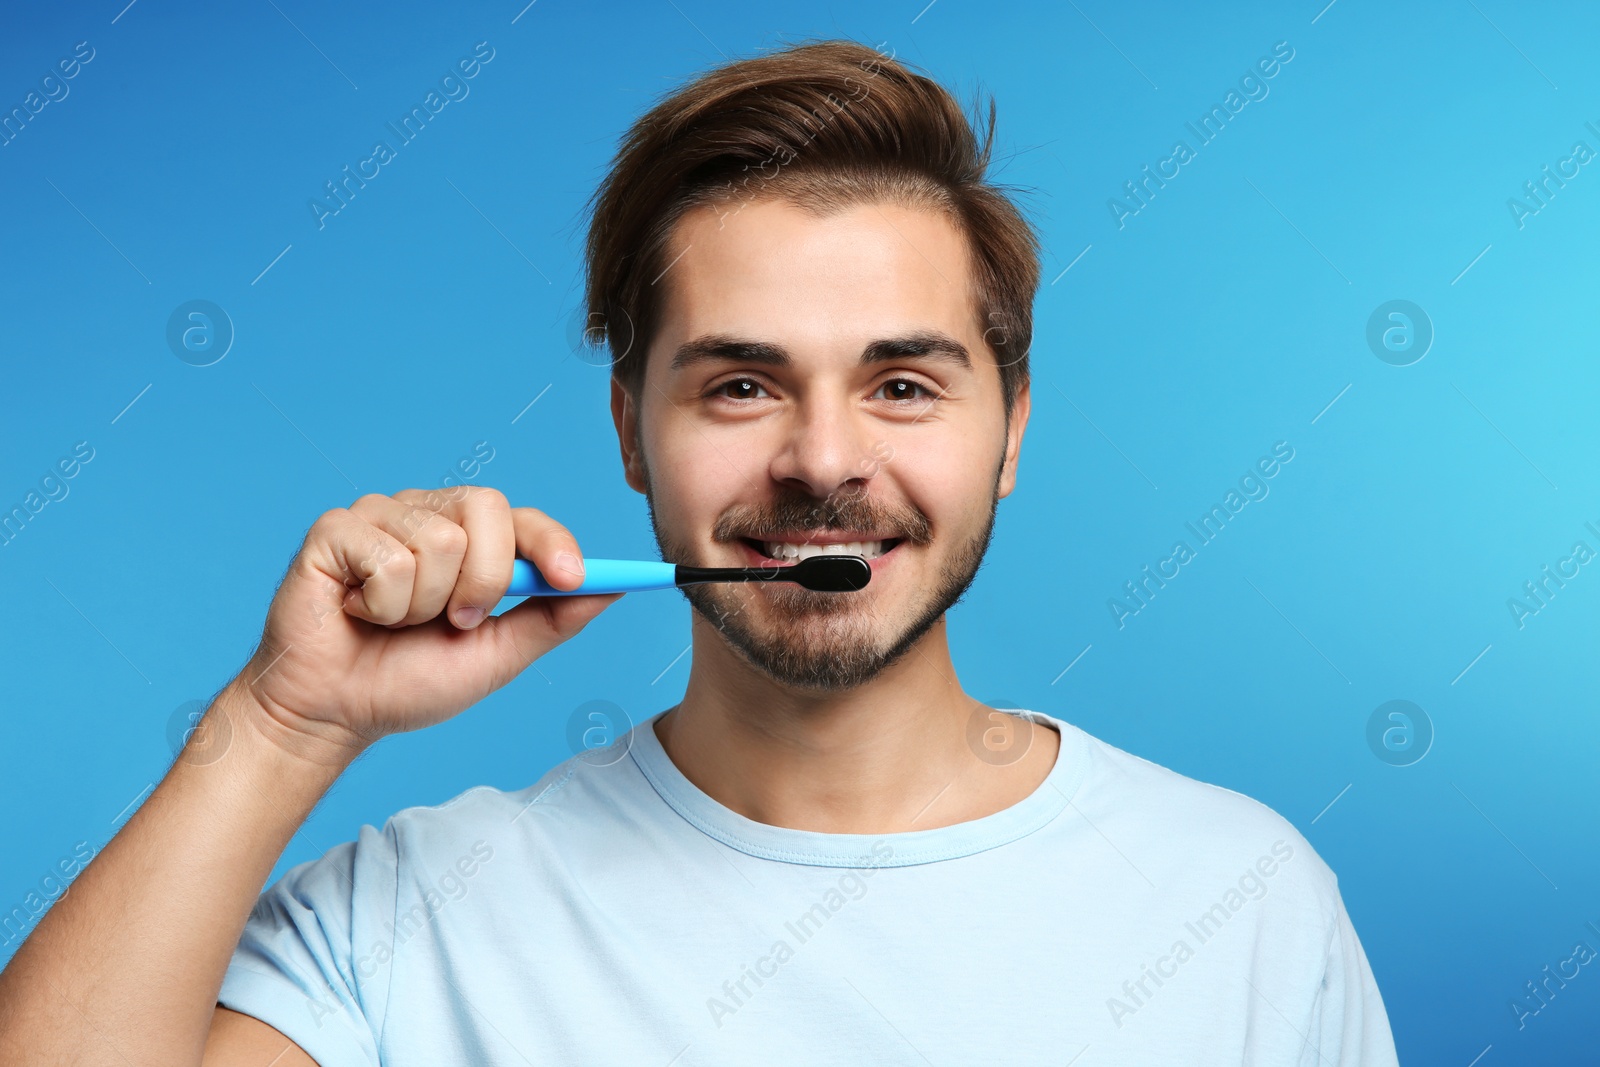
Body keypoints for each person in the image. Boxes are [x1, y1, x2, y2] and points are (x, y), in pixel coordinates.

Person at [0, 37, 1399, 1065]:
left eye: (903, 385)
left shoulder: (1240, 899)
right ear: (629, 430)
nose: (824, 459)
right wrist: (280, 725)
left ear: (1011, 431)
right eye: (741, 385)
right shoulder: (415, 918)